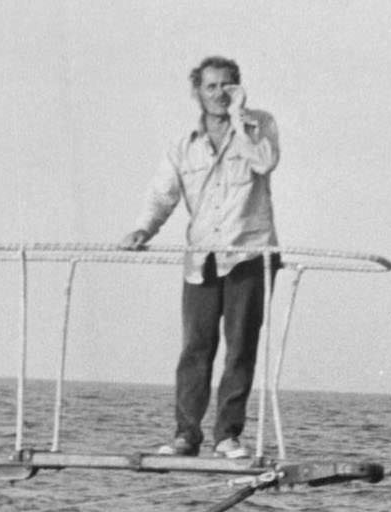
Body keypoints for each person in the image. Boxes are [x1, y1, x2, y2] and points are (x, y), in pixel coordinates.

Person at [120, 56, 280, 460]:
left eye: (227, 85)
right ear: (197, 92)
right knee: (196, 347)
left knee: (241, 346)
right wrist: (143, 229)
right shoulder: (182, 145)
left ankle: (227, 436)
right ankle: (186, 435)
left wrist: (240, 116)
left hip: (249, 253)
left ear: (238, 87)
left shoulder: (260, 126)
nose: (219, 93)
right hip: (201, 258)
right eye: (211, 86)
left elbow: (265, 162)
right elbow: (162, 195)